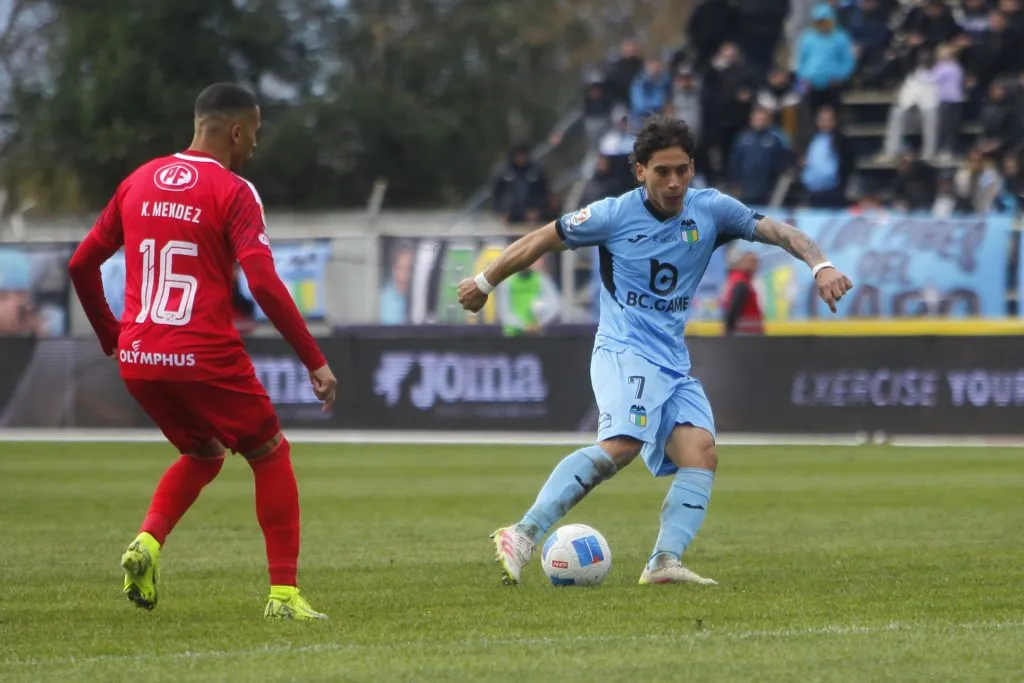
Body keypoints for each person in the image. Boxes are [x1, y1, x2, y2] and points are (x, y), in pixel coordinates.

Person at [457, 116, 853, 586]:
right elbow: (541, 239)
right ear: (639, 170)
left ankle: (664, 562)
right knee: (622, 444)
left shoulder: (710, 210)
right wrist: (485, 283)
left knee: (700, 452)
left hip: (672, 359)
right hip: (623, 349)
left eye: (682, 170)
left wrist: (820, 264)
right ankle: (522, 533)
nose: (674, 182)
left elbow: (782, 232)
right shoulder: (612, 214)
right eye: (662, 171)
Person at [67, 83, 337, 620]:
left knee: (203, 453)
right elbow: (261, 283)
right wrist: (314, 358)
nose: (255, 146)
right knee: (270, 453)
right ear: (236, 132)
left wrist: (113, 337)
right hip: (203, 352)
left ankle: (146, 543)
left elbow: (80, 265)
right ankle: (283, 596)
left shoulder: (137, 181)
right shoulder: (235, 190)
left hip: (140, 356)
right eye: (254, 135)